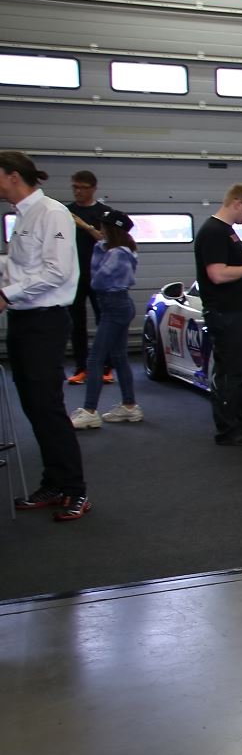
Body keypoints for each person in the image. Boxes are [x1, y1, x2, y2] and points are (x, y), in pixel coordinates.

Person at [0, 150, 88, 520]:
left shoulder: (51, 212)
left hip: (45, 322)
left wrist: (6, 294)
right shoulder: (22, 215)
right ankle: (54, 482)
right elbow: (21, 267)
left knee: (47, 406)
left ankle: (75, 490)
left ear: (13, 176)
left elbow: (57, 272)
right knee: (33, 406)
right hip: (22, 320)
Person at [195, 185, 242, 446]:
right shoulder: (214, 232)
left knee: (238, 370)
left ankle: (238, 421)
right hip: (227, 312)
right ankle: (228, 430)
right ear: (238, 203)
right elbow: (217, 274)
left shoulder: (226, 232)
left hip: (237, 312)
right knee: (231, 372)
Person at [71, 213, 143, 428]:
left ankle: (90, 411)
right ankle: (130, 406)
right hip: (115, 305)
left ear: (112, 230)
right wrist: (95, 239)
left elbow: (97, 281)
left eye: (103, 227)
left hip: (115, 306)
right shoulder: (113, 249)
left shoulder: (118, 254)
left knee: (95, 359)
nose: (100, 230)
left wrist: (99, 249)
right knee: (119, 356)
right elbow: (97, 266)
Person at [65, 169, 115, 385]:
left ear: (93, 189)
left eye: (83, 188)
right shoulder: (65, 212)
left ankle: (106, 367)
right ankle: (81, 368)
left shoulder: (105, 213)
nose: (78, 192)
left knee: (104, 321)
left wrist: (84, 226)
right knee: (76, 323)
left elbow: (110, 241)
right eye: (75, 187)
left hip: (99, 276)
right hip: (74, 276)